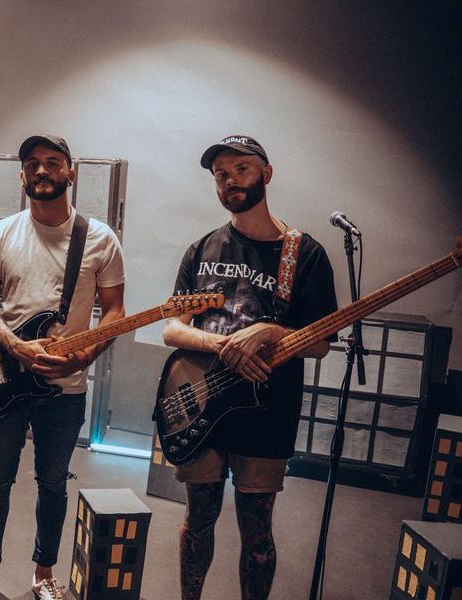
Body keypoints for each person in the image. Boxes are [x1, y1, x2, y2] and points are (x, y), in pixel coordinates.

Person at [161, 135, 337, 600]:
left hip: (267, 412)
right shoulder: (201, 249)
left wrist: (270, 332)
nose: (230, 180)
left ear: (266, 174)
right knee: (197, 521)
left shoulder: (305, 254)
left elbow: (321, 343)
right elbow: (172, 329)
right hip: (202, 404)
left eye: (241, 169)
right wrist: (224, 345)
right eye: (221, 174)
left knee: (257, 532)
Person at [0, 135, 126, 600]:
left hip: (65, 387)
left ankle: (44, 573)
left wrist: (86, 355)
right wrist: (16, 347)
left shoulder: (99, 238)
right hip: (3, 380)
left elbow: (115, 310)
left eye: (53, 162)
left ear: (70, 173)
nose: (42, 170)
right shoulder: (1, 233)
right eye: (32, 163)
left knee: (53, 484)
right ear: (21, 175)